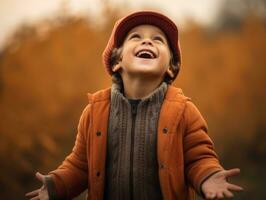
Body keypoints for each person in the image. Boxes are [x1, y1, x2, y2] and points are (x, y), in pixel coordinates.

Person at [26, 10, 243, 200]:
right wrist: (56, 186)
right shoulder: (95, 111)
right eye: (135, 37)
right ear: (116, 61)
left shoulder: (184, 111)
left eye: (158, 39)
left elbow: (198, 158)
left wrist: (209, 177)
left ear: (171, 67)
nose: (147, 41)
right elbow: (80, 165)